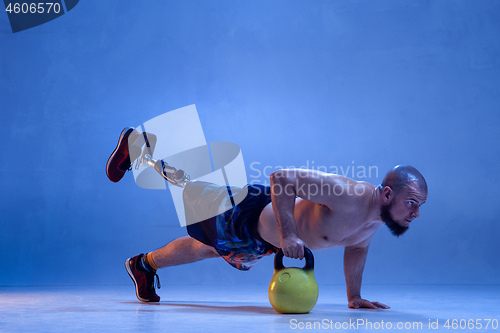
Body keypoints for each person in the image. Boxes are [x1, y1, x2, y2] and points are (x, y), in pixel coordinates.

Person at [107, 128, 428, 309]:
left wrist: (354, 296)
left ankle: (143, 265)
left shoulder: (374, 220)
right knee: (193, 189)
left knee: (205, 247)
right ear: (387, 195)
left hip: (260, 242)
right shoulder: (348, 193)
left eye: (420, 206)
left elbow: (357, 248)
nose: (415, 213)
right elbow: (281, 179)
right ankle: (138, 149)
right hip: (247, 212)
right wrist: (289, 235)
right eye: (411, 203)